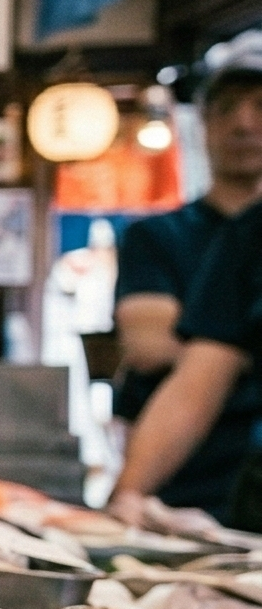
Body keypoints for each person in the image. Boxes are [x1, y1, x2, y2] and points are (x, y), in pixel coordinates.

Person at [105, 39, 262, 522]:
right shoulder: (243, 238)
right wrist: (124, 500)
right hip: (208, 483)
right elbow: (193, 372)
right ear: (204, 125)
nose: (244, 124)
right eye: (228, 109)